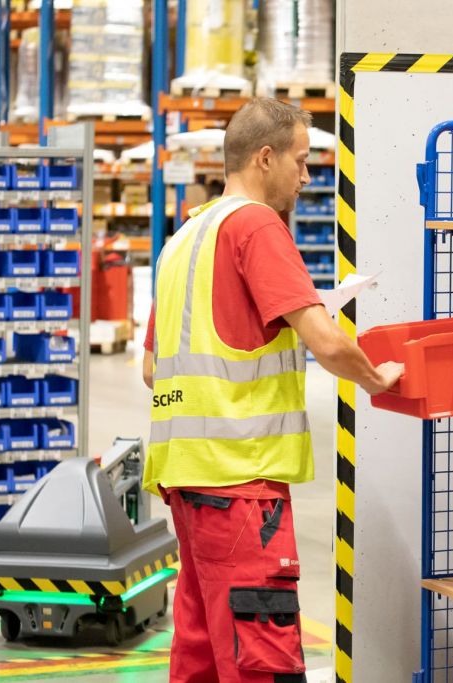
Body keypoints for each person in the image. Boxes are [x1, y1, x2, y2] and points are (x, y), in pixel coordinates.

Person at [141, 98, 404, 683]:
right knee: (261, 659)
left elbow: (152, 369)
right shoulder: (257, 226)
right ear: (265, 157)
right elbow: (326, 342)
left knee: (203, 654)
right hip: (242, 485)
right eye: (301, 160)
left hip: (187, 482)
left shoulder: (183, 238)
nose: (306, 177)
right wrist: (376, 378)